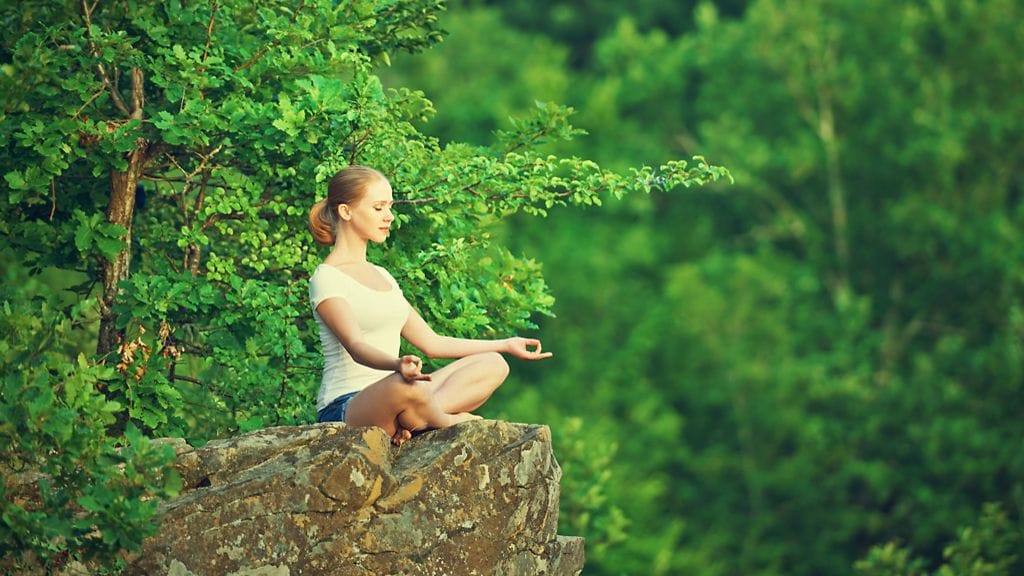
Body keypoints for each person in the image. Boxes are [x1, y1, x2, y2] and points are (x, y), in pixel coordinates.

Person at [308, 165, 552, 445]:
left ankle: (415, 418)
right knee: (405, 387)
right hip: (347, 407)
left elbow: (432, 343)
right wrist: (397, 364)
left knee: (494, 364)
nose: (389, 217)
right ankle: (442, 420)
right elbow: (356, 346)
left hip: (403, 394)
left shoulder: (383, 276)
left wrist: (505, 344)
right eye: (378, 208)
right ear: (346, 211)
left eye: (389, 207)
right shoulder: (327, 278)